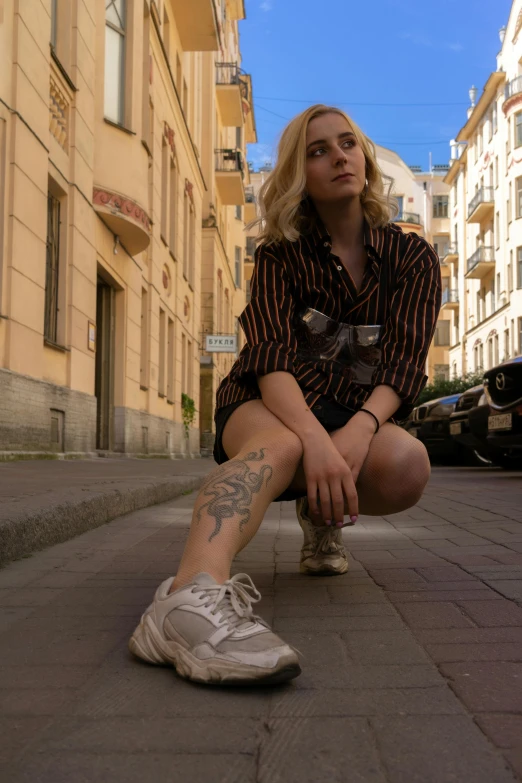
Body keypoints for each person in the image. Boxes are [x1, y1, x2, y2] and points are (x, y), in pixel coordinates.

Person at [129, 104, 442, 686]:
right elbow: (270, 353)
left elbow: (404, 360)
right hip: (268, 399)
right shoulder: (278, 253)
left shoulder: (412, 256)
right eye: (318, 150)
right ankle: (186, 601)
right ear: (300, 173)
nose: (339, 156)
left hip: (355, 412)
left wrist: (359, 429)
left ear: (365, 158)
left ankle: (318, 516)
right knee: (282, 449)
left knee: (407, 464)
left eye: (348, 143)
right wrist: (313, 439)